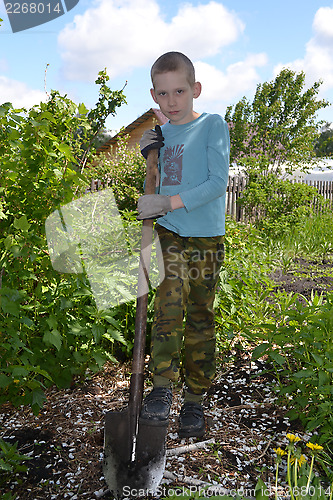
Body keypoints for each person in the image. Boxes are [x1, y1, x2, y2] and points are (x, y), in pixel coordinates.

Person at [137, 51, 230, 438]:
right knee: (168, 305)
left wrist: (166, 202)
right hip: (170, 231)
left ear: (196, 89)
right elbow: (158, 178)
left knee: (199, 315)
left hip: (206, 237)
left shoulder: (212, 125)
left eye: (179, 91)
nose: (171, 101)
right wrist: (149, 156)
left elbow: (216, 183)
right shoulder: (159, 135)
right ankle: (161, 388)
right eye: (163, 93)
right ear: (154, 96)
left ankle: (194, 400)